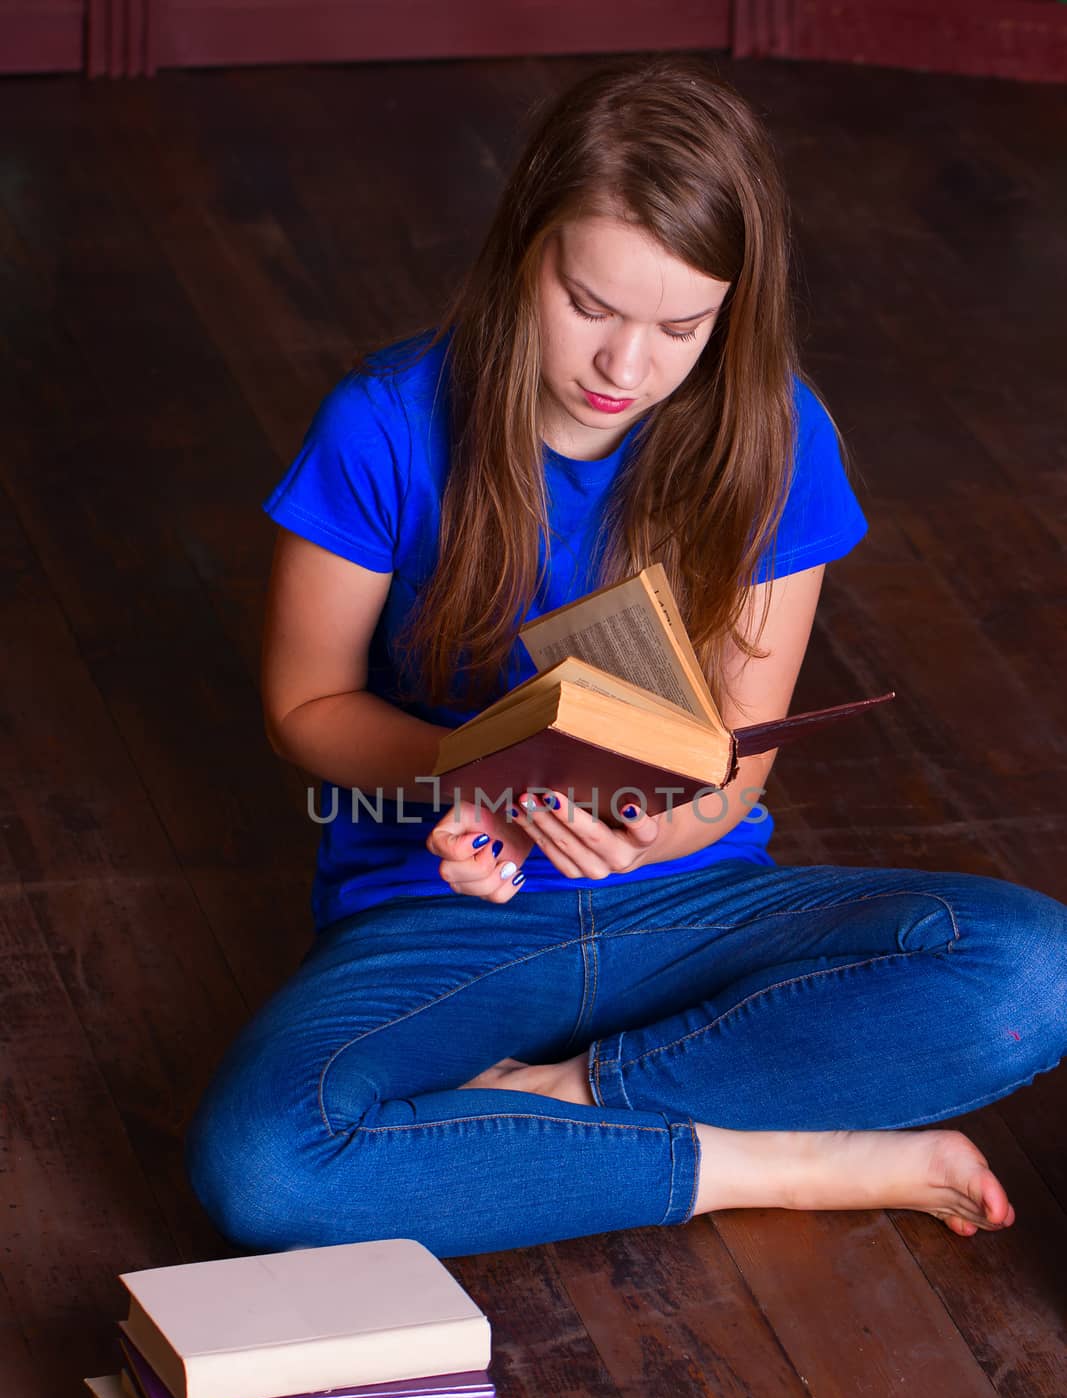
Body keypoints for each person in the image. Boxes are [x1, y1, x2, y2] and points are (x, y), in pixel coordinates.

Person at [185, 56, 1067, 1260]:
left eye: (680, 327)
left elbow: (734, 770)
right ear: (522, 254)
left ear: (729, 314)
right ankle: (772, 1163)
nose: (624, 368)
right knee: (262, 1164)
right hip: (441, 916)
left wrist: (661, 830)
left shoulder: (775, 436)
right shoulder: (386, 420)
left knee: (1031, 976)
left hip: (690, 909)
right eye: (589, 306)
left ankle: (564, 1104)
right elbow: (306, 705)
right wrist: (465, 776)